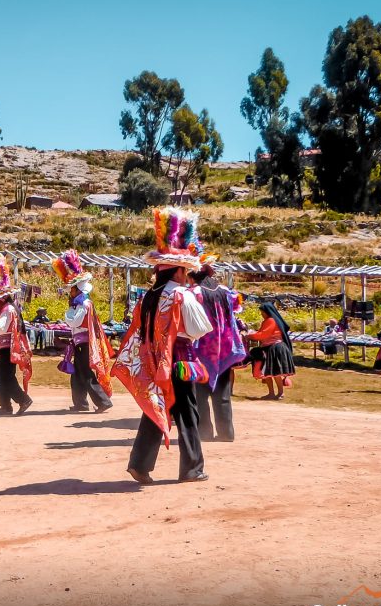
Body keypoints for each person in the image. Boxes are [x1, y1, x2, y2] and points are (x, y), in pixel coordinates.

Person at [113, 207, 214, 484]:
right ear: (179, 271)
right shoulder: (181, 295)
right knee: (188, 414)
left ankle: (140, 463)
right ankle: (192, 468)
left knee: (156, 407)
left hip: (153, 360)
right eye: (185, 269)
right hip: (179, 361)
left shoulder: (149, 297)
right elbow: (199, 328)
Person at [190, 259, 246, 442]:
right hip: (224, 347)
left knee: (200, 393)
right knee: (222, 393)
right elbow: (234, 312)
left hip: (203, 348)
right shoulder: (224, 291)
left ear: (192, 276)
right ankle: (226, 433)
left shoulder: (195, 292)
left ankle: (204, 432)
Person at [52, 249, 112, 413]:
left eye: (72, 289)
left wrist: (67, 314)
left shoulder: (84, 304)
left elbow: (74, 321)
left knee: (85, 372)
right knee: (77, 374)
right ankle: (81, 403)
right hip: (80, 343)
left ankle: (102, 401)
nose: (70, 292)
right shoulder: (79, 304)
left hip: (85, 344)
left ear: (78, 289)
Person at [0, 257, 33, 416]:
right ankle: (6, 405)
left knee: (6, 377)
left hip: (10, 348)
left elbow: (2, 326)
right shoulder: (7, 308)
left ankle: (22, 400)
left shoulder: (8, 310)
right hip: (6, 347)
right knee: (2, 377)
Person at [244, 302, 296, 399]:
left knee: (276, 372)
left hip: (275, 348)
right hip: (269, 348)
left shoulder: (271, 321)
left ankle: (280, 393)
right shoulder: (268, 321)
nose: (261, 314)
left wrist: (249, 336)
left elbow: (263, 335)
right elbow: (261, 333)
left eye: (263, 312)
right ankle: (271, 393)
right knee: (267, 372)